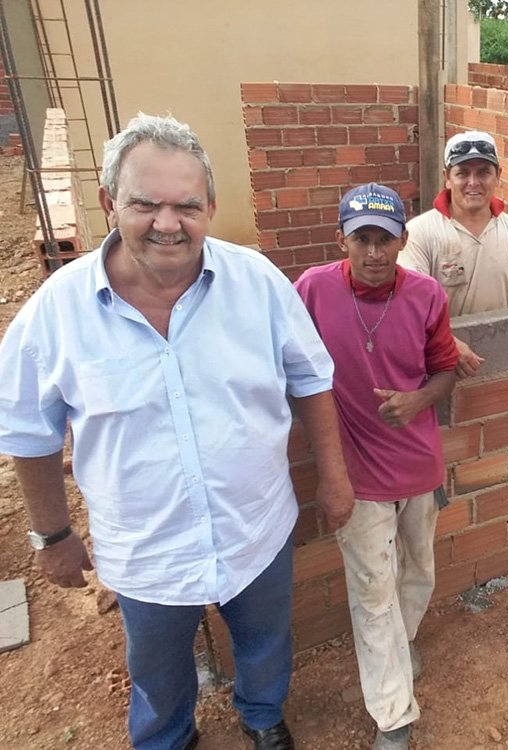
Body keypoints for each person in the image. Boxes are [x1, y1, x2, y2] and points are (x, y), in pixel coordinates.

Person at [0, 114, 355, 750]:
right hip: (147, 552)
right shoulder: (57, 311)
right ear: (109, 203)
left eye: (187, 206)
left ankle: (261, 714)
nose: (168, 223)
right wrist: (52, 535)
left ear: (210, 208)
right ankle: (167, 737)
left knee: (266, 641)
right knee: (158, 671)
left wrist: (334, 478)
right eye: (145, 204)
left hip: (255, 528)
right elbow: (28, 431)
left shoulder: (257, 283)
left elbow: (311, 378)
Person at [294, 183, 459, 750]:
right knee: (372, 591)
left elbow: (445, 370)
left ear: (402, 240)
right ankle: (393, 714)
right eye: (361, 238)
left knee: (419, 571)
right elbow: (283, 359)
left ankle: (400, 642)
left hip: (418, 465)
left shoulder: (426, 295)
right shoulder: (312, 290)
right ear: (340, 239)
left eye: (384, 239)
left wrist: (416, 401)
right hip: (357, 474)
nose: (373, 252)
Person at [398, 130, 508, 377]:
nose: (473, 182)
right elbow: (407, 303)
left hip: (504, 368)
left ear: (498, 175)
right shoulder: (420, 233)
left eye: (483, 172)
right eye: (462, 173)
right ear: (447, 178)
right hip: (441, 370)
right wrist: (445, 341)